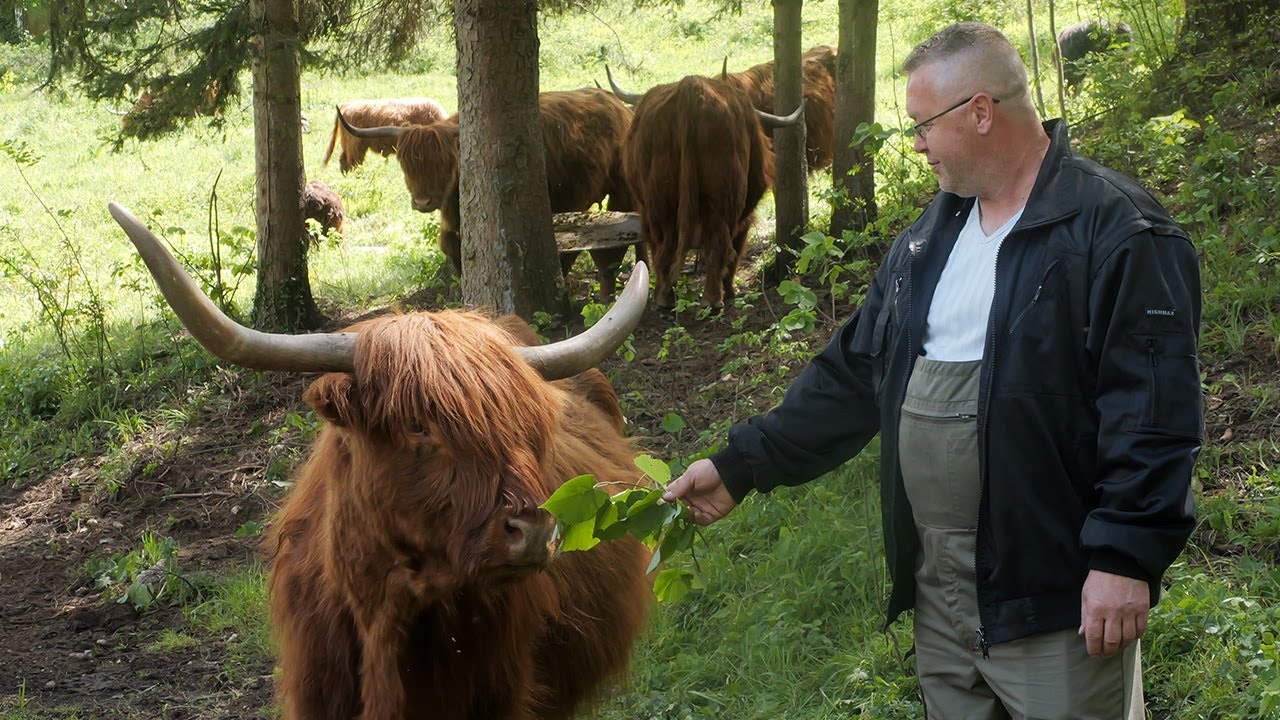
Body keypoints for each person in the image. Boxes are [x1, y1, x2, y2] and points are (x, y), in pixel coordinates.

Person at [662, 21, 1201, 720]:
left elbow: (1154, 413)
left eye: (922, 125)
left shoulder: (1116, 232)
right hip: (942, 600)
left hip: (1056, 601)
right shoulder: (929, 238)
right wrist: (741, 464)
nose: (914, 144)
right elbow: (855, 374)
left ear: (981, 112)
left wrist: (1125, 557)